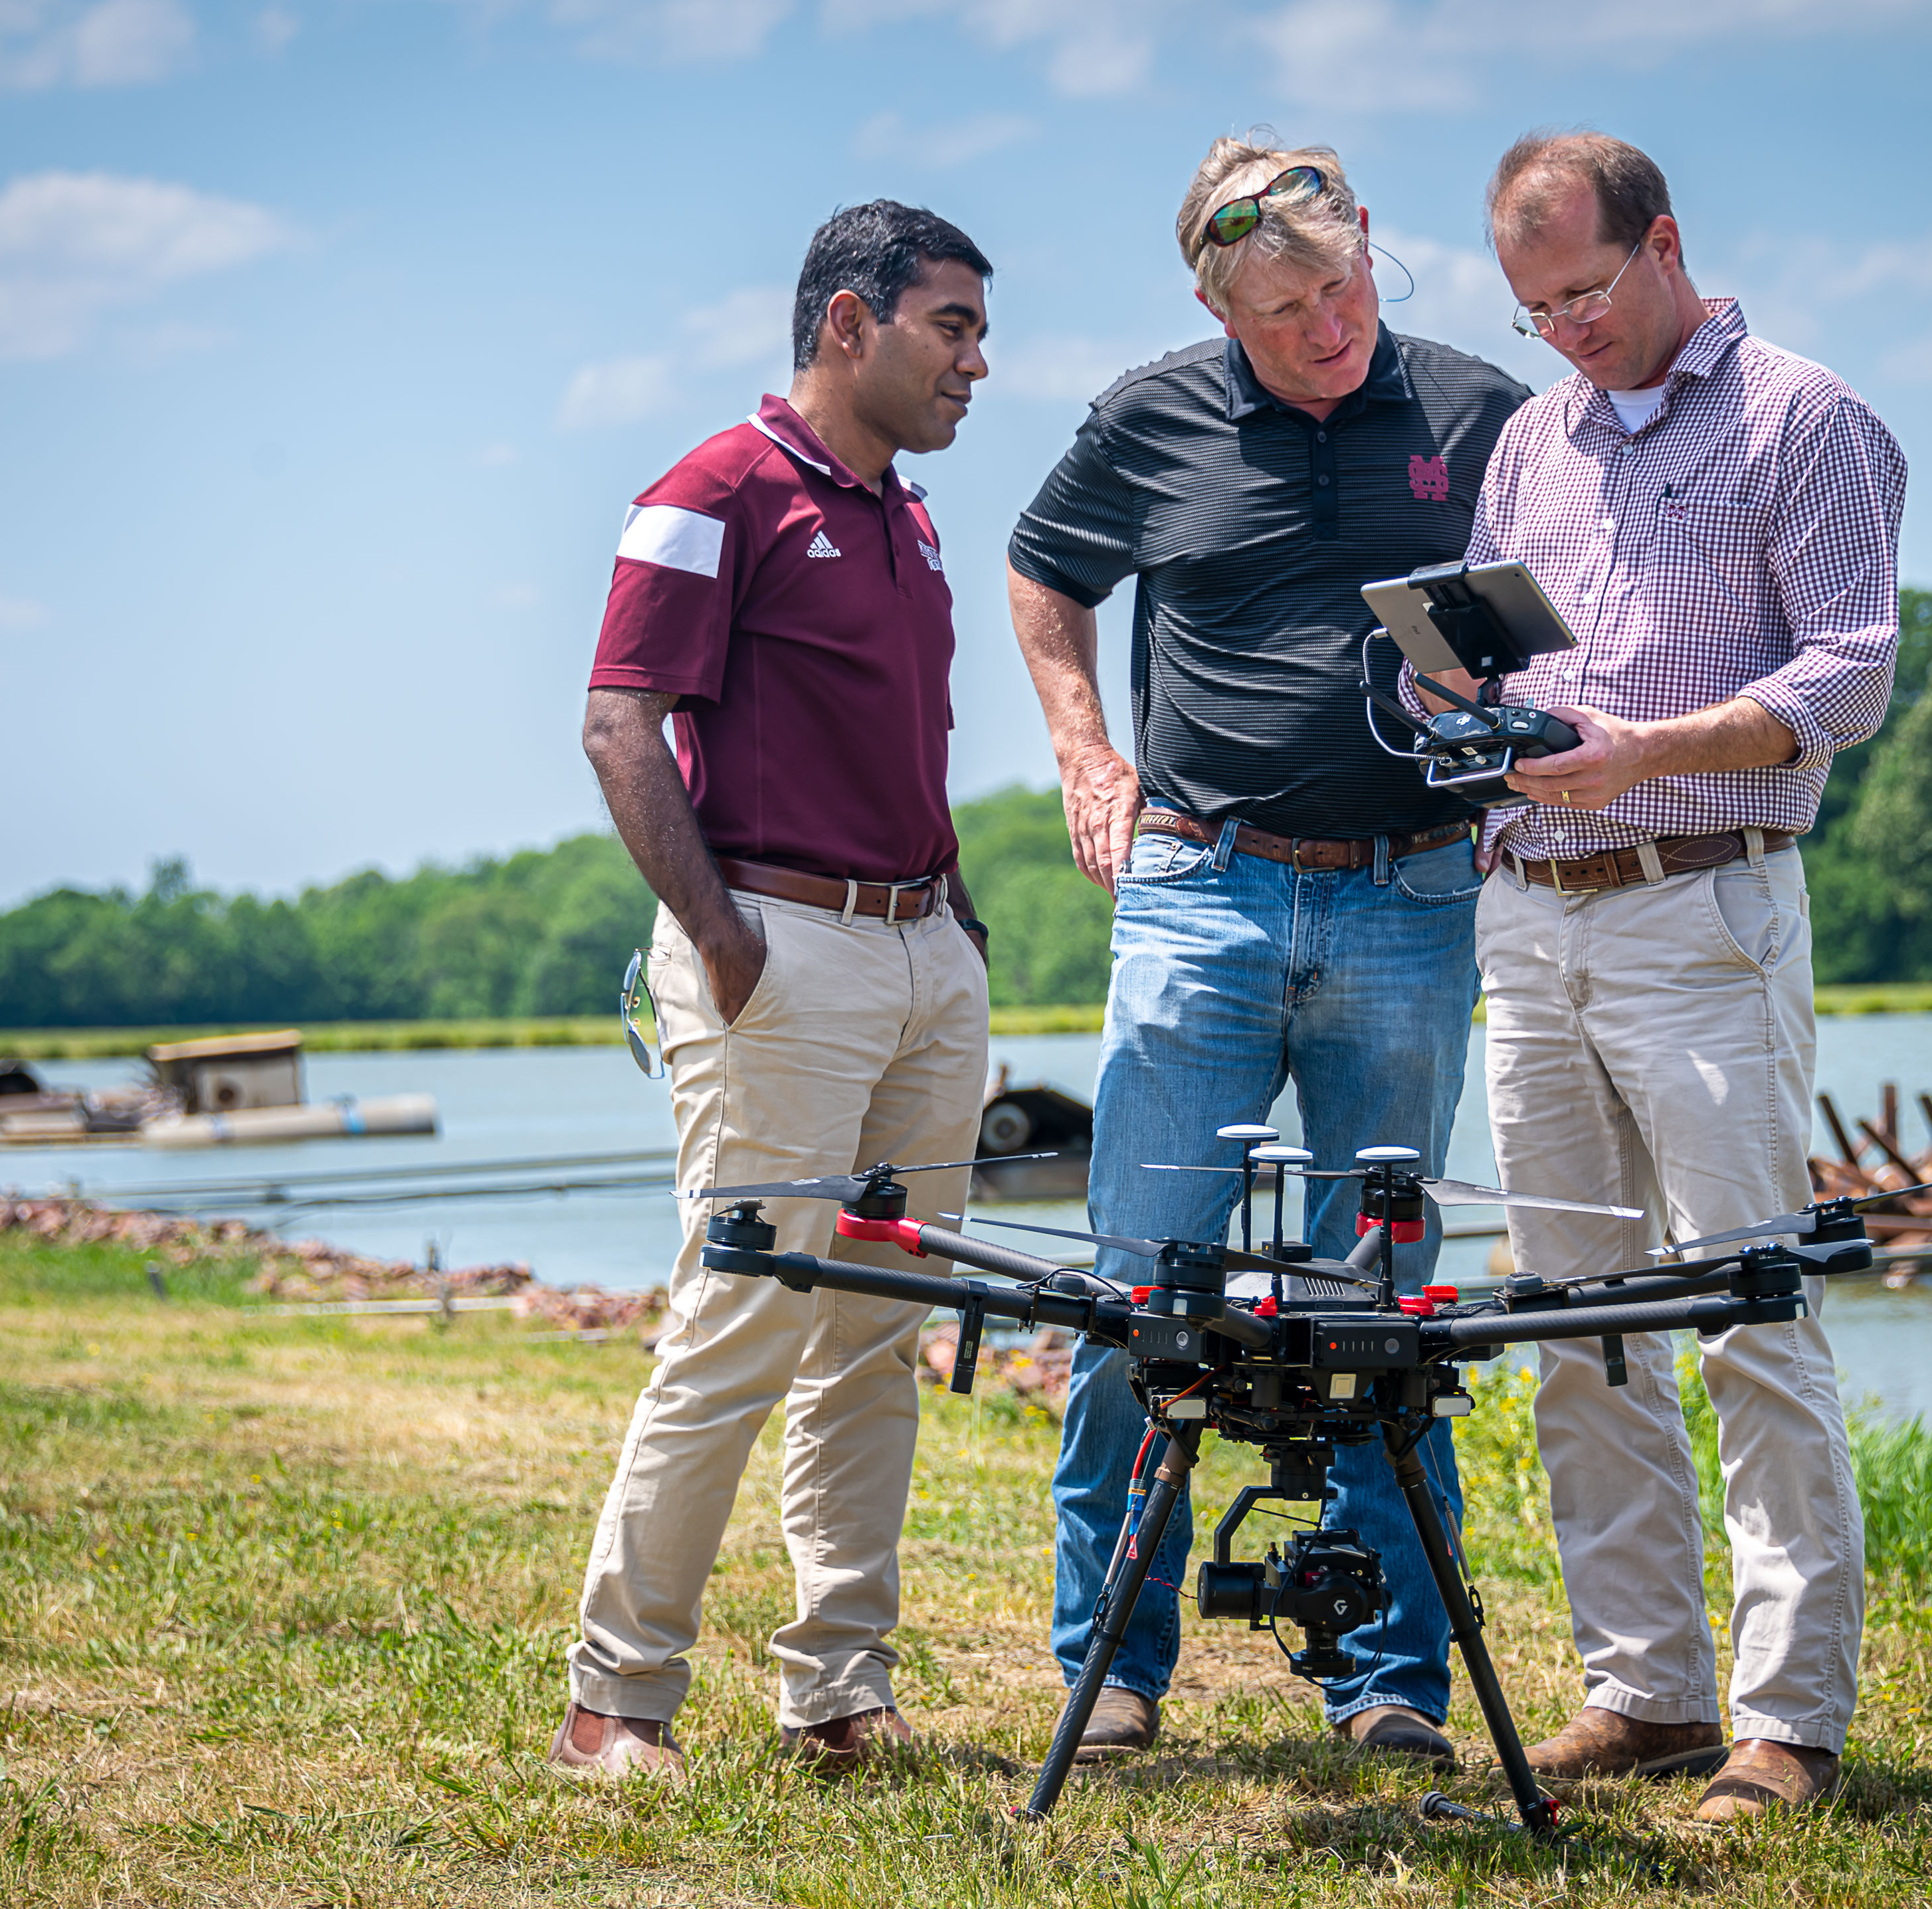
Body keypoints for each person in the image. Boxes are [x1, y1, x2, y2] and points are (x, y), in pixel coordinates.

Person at [1005, 138, 1532, 1767]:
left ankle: (1387, 1683)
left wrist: (1501, 723)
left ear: (1373, 240)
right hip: (1202, 893)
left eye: (1345, 284)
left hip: (1415, 895)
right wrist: (1091, 757)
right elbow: (1042, 577)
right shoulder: (1146, 416)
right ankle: (1116, 1667)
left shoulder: (1483, 411)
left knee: (1383, 1304)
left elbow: (1552, 610)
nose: (1329, 326)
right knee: (1133, 1294)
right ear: (1217, 308)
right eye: (1287, 307)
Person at [1441, 131, 1905, 1822]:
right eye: (1533, 307)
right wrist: (1459, 705)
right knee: (1579, 1324)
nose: (1564, 331)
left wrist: (1648, 755)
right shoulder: (1529, 445)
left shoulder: (1805, 415)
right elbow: (1508, 656)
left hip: (1702, 904)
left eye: (1582, 291)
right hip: (1530, 909)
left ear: (1665, 245)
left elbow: (1848, 671)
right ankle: (1643, 1687)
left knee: (1748, 1314)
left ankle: (1789, 1721)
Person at [552, 200, 995, 1783]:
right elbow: (621, 724)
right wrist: (724, 936)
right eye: (950, 324)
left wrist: (956, 926)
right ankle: (617, 1701)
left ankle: (837, 1689)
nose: (978, 361)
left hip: (922, 955)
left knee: (882, 1331)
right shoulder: (711, 490)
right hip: (780, 950)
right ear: (846, 325)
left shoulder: (910, 516)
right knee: (740, 1319)